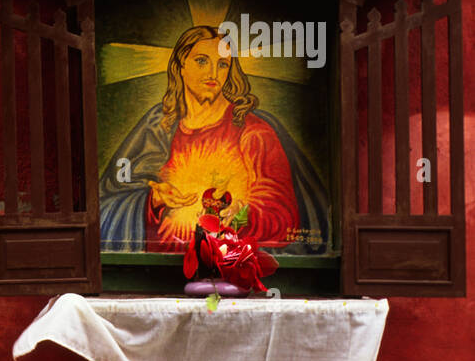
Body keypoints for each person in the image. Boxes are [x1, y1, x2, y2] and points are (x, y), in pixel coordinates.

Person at [99, 25, 327, 253]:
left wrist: (241, 214)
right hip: (155, 273)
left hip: (228, 270)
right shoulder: (156, 126)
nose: (212, 73)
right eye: (201, 61)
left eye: (222, 64)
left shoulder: (253, 132)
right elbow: (106, 203)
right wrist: (153, 201)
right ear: (180, 66)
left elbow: (281, 214)